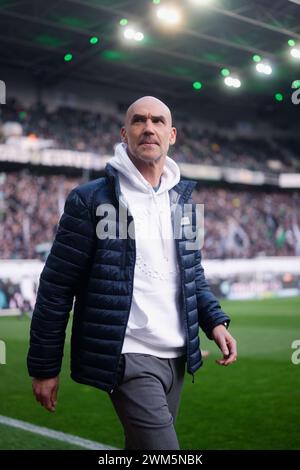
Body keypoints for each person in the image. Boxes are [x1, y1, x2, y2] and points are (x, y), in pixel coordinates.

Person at [27, 96, 237, 450]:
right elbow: (56, 287)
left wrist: (214, 321)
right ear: (125, 134)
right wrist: (44, 366)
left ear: (172, 135)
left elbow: (192, 275)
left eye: (157, 121)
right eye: (139, 121)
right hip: (128, 355)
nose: (149, 128)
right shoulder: (90, 200)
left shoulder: (184, 203)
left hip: (177, 355)